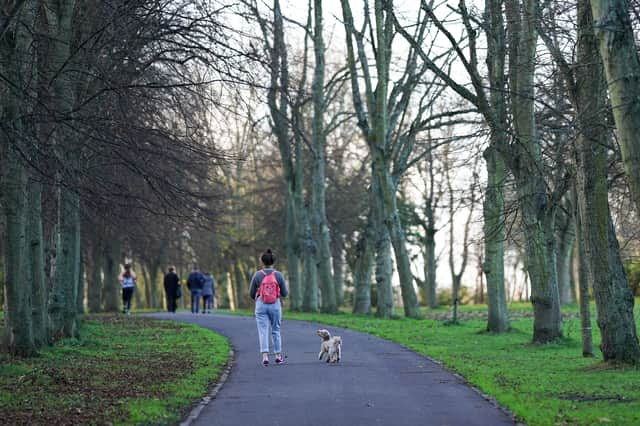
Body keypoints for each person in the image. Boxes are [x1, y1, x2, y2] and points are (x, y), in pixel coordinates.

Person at [249, 248, 288, 366]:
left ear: (262, 262)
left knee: (263, 331)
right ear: (273, 261)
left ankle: (265, 357)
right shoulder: (279, 275)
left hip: (261, 304)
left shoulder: (257, 275)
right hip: (275, 304)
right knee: (276, 330)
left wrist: (258, 296)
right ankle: (278, 356)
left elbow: (251, 293)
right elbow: (285, 294)